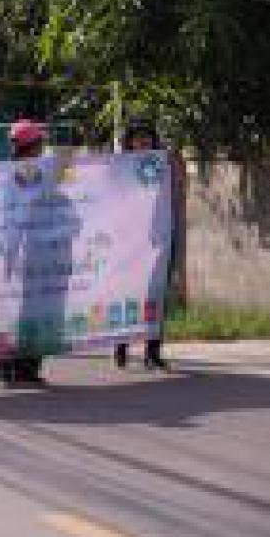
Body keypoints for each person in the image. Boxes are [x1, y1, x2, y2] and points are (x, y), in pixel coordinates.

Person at [114, 119, 171, 371]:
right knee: (126, 295)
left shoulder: (161, 165)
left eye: (147, 137)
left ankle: (153, 352)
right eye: (137, 137)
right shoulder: (118, 167)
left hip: (156, 241)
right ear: (129, 141)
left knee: (155, 296)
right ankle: (121, 345)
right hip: (126, 243)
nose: (143, 141)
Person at [0, 118, 48, 385]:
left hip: (31, 249)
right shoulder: (22, 172)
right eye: (39, 143)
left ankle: (22, 368)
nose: (42, 147)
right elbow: (14, 216)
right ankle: (16, 367)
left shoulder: (36, 170)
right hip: (24, 250)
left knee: (24, 310)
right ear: (32, 145)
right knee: (23, 311)